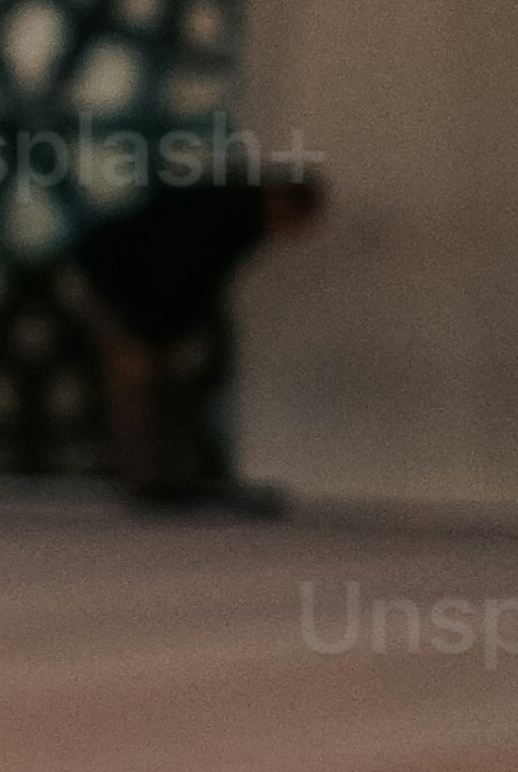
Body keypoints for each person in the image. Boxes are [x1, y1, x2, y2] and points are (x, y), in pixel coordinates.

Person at [57, 142, 328, 508]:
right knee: (135, 379)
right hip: (110, 282)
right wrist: (148, 337)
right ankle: (146, 481)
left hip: (126, 283)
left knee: (158, 380)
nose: (292, 234)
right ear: (280, 199)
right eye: (296, 220)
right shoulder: (225, 215)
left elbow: (195, 286)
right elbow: (170, 274)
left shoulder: (238, 216)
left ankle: (164, 477)